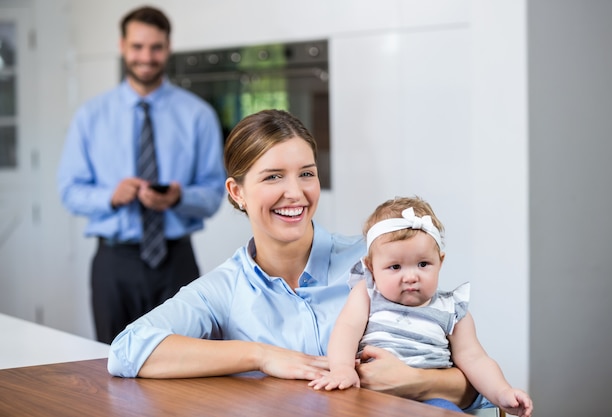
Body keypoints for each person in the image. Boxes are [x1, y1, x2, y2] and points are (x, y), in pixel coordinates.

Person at [107, 109, 490, 411]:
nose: (296, 193)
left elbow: (477, 384)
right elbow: (127, 351)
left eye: (306, 173)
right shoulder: (223, 290)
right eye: (273, 177)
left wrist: (416, 380)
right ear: (236, 192)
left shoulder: (378, 261)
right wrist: (261, 355)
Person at [57, 6, 225, 344]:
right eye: (137, 47)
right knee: (111, 358)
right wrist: (110, 196)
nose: (146, 57)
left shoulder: (198, 116)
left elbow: (214, 193)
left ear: (168, 47)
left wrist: (179, 198)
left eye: (156, 47)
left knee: (184, 361)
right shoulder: (90, 116)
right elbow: (69, 190)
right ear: (122, 46)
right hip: (114, 263)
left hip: (176, 261)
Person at [308, 196, 533, 416]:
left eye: (423, 264)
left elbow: (476, 359)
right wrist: (342, 369)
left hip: (431, 401)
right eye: (395, 267)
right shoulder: (368, 294)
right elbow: (346, 330)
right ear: (371, 267)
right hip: (373, 396)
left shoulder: (453, 310)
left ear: (440, 262)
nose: (411, 277)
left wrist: (502, 392)